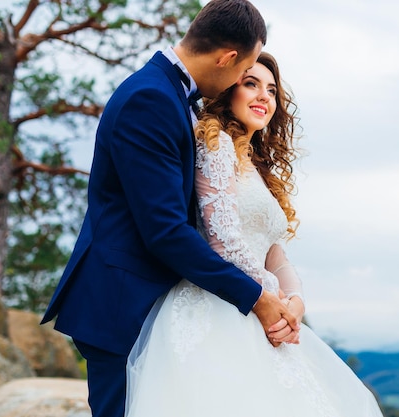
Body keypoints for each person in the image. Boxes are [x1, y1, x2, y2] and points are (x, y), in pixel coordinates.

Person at [40, 2, 299, 417]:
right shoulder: (151, 98)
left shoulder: (170, 95)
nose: (239, 83)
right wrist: (257, 298)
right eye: (244, 72)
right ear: (227, 58)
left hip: (148, 302)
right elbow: (164, 230)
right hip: (121, 305)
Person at [124, 51, 384, 417]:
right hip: (223, 305)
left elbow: (275, 253)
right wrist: (269, 300)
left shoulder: (259, 170)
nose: (264, 96)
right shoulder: (215, 146)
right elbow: (222, 240)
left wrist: (295, 301)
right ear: (230, 90)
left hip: (264, 303)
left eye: (272, 90)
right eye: (251, 84)